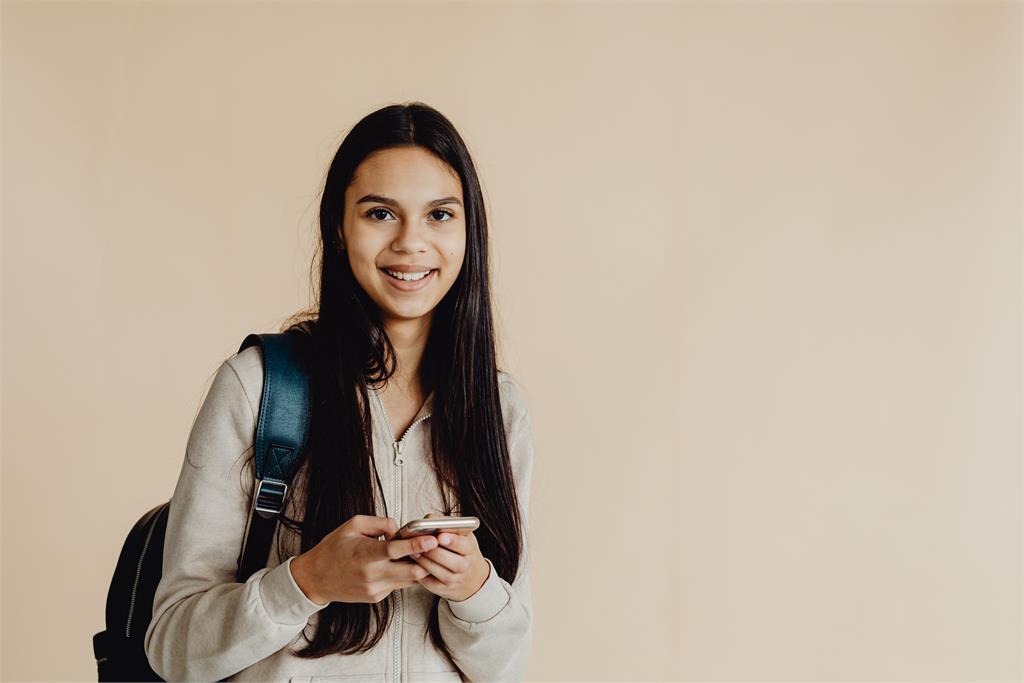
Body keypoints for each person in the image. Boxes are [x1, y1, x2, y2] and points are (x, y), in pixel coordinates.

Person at [144, 102, 534, 682]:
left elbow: (508, 669)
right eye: (380, 213)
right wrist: (307, 582)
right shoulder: (260, 387)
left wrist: (475, 590)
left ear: (468, 231)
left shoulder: (497, 407)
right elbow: (173, 648)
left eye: (439, 215)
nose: (412, 242)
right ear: (338, 226)